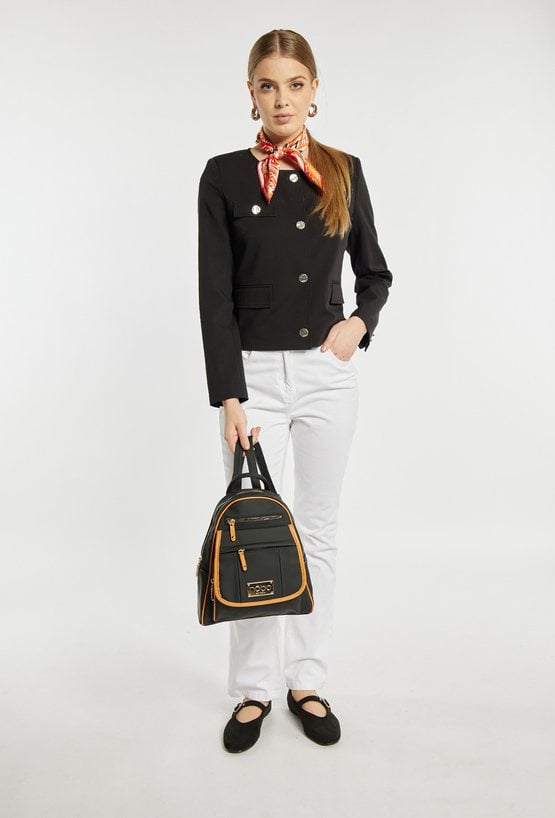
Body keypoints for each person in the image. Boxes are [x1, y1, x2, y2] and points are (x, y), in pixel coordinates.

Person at [197, 28, 393, 752]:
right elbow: (214, 296)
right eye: (267, 85)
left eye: (295, 84)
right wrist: (229, 395)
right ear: (250, 93)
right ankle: (253, 690)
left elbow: (375, 273)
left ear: (314, 91)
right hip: (251, 380)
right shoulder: (222, 176)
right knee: (254, 528)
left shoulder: (343, 170)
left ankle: (306, 679)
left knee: (317, 528)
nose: (282, 99)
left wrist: (356, 326)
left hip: (324, 375)